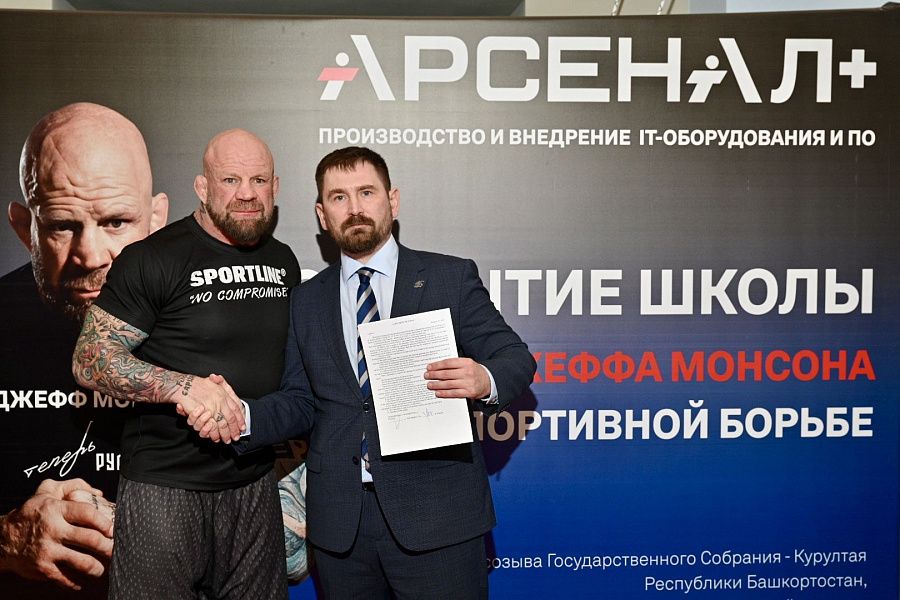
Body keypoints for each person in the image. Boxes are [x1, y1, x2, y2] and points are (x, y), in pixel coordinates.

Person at [207, 146, 536, 598]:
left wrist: (484, 379)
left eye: (367, 192)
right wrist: (243, 417)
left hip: (437, 517)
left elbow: (515, 358)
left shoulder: (450, 277)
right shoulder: (306, 300)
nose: (355, 208)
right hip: (342, 526)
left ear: (392, 201)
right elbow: (300, 400)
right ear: (323, 215)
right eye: (339, 197)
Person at [70, 129, 299, 600]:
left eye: (259, 180)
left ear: (275, 188)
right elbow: (90, 360)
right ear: (202, 187)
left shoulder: (284, 261)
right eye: (230, 180)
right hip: (165, 487)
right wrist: (183, 387)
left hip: (255, 483)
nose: (247, 193)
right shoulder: (153, 257)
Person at [0, 102, 168, 596]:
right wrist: (7, 539)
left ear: (156, 219)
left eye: (116, 222)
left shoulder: (213, 328)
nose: (90, 256)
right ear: (23, 227)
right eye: (61, 225)